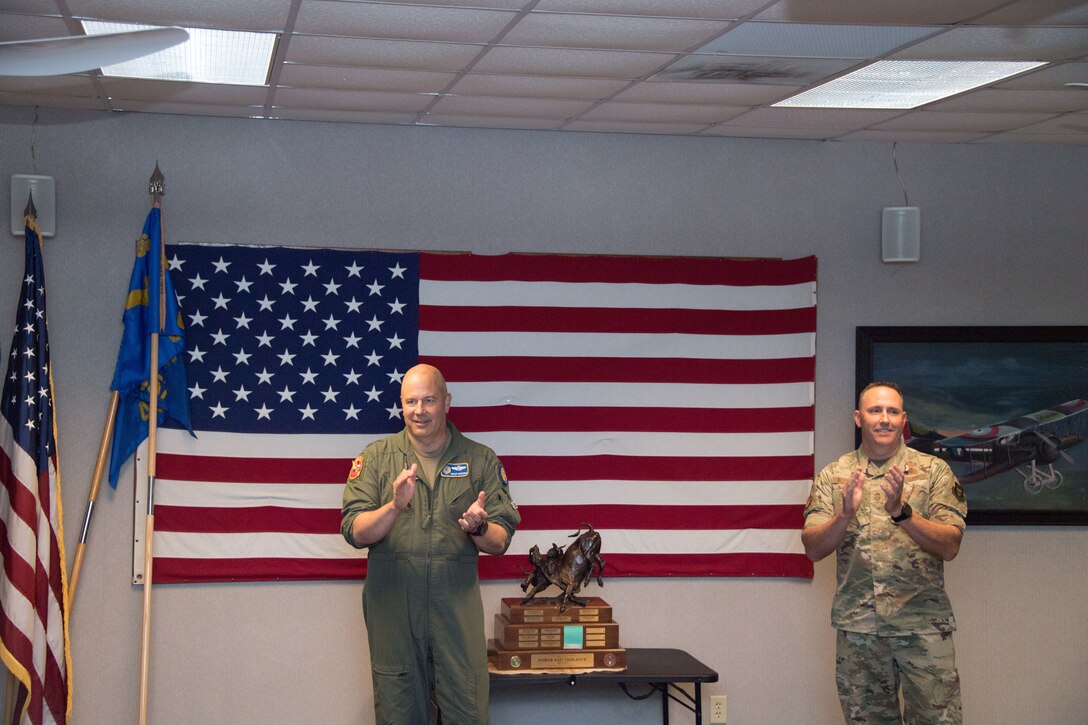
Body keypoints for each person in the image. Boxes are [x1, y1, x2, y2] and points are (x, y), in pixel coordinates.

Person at [341, 363, 521, 725]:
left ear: (447, 402)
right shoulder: (377, 458)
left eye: (428, 401)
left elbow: (501, 539)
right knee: (398, 710)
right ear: (402, 405)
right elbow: (355, 531)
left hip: (455, 610)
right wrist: (394, 507)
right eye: (411, 402)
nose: (419, 411)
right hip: (393, 608)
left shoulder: (480, 459)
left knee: (468, 709)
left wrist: (479, 527)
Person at [802, 382, 967, 724]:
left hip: (922, 629)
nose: (884, 419)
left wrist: (902, 513)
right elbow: (813, 548)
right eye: (875, 411)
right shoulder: (836, 476)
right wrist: (844, 514)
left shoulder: (934, 471)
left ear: (903, 419)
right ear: (858, 418)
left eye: (892, 411)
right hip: (860, 631)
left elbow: (950, 545)